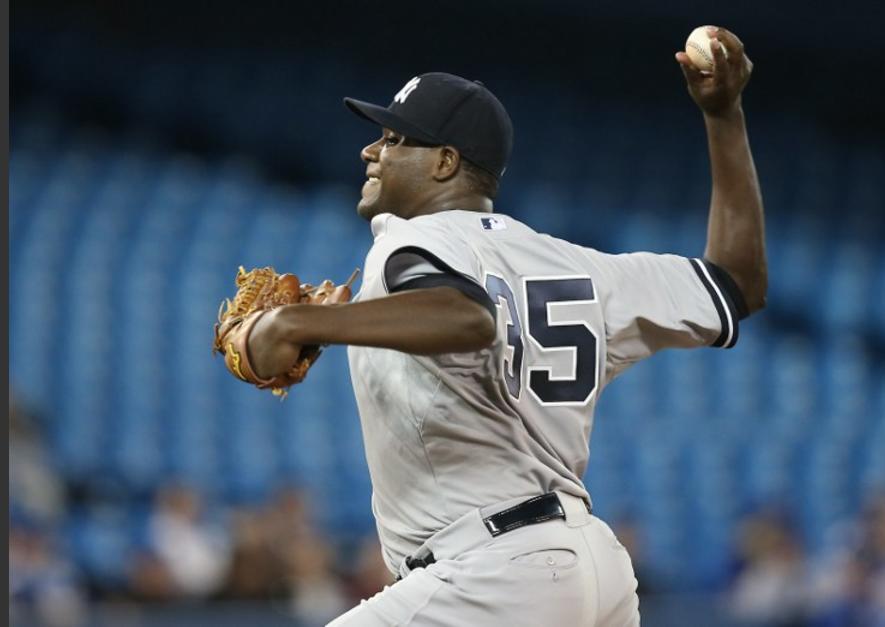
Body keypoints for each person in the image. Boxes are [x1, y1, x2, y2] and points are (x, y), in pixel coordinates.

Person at [249, 25, 765, 626]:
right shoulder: (579, 264)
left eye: (394, 138)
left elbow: (467, 315)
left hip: (494, 576)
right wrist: (725, 117)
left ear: (445, 162)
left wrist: (302, 320)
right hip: (591, 570)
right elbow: (737, 281)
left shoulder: (410, 241)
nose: (371, 150)